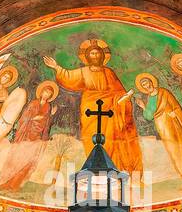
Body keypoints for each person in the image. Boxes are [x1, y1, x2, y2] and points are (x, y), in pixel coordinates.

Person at [43, 38, 143, 175]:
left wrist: (123, 100)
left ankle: (113, 168)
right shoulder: (84, 71)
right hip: (89, 108)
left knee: (110, 138)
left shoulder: (109, 72)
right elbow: (69, 77)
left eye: (97, 53)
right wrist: (56, 67)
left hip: (110, 109)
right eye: (92, 54)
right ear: (87, 57)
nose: (95, 56)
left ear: (102, 56)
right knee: (91, 137)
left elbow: (119, 92)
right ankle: (95, 168)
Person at [134, 72, 182, 186]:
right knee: (173, 151)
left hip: (173, 123)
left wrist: (174, 112)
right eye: (144, 85)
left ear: (152, 81)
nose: (147, 86)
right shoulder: (148, 99)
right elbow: (149, 116)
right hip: (162, 127)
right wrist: (143, 106)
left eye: (147, 82)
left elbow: (176, 105)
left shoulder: (164, 92)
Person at [0, 80, 58, 191]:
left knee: (28, 162)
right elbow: (24, 118)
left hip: (37, 138)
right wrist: (34, 118)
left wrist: (51, 115)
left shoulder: (48, 107)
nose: (46, 94)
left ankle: (14, 185)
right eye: (45, 92)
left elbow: (46, 122)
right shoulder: (33, 103)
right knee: (17, 159)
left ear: (50, 96)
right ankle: (5, 183)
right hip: (26, 135)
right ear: (41, 92)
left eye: (49, 93)